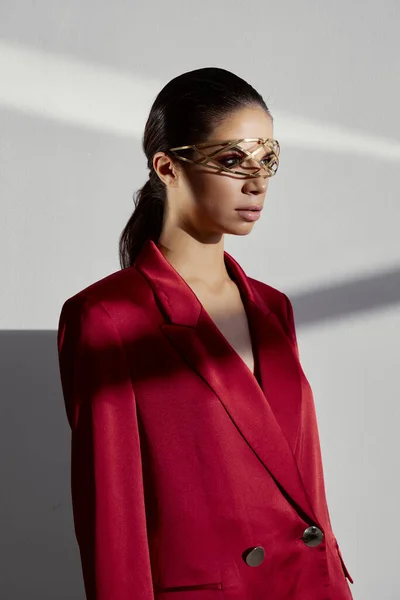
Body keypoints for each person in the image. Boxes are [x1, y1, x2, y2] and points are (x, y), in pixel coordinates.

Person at [57, 67, 354, 600]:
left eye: (269, 160)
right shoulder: (108, 317)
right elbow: (113, 524)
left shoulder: (272, 307)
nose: (257, 181)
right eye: (233, 160)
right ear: (167, 167)